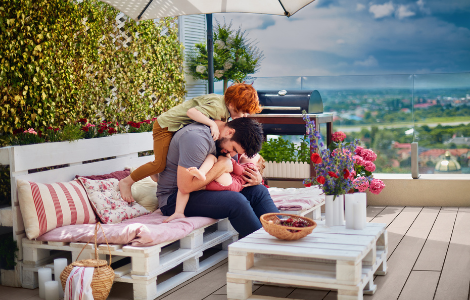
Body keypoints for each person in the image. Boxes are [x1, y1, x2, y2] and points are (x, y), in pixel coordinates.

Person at [118, 83, 262, 202]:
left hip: (175, 127)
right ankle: (127, 182)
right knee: (159, 164)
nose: (244, 116)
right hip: (165, 126)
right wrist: (211, 124)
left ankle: (156, 175)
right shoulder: (218, 107)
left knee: (167, 159)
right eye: (243, 112)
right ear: (231, 104)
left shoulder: (224, 108)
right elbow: (191, 113)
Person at [157, 117, 279, 238]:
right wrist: (221, 166)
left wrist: (256, 179)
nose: (233, 155)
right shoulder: (196, 138)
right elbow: (185, 187)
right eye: (234, 149)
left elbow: (232, 173)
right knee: (236, 201)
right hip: (175, 199)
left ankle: (283, 232)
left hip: (204, 190)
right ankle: (262, 245)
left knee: (259, 191)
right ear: (229, 132)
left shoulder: (226, 141)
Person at [163, 153, 265, 222]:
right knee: (186, 186)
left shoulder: (251, 167)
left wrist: (228, 159)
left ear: (258, 166)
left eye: (253, 154)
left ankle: (203, 173)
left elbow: (237, 169)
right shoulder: (246, 164)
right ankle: (178, 212)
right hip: (221, 184)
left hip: (229, 183)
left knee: (215, 161)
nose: (248, 153)